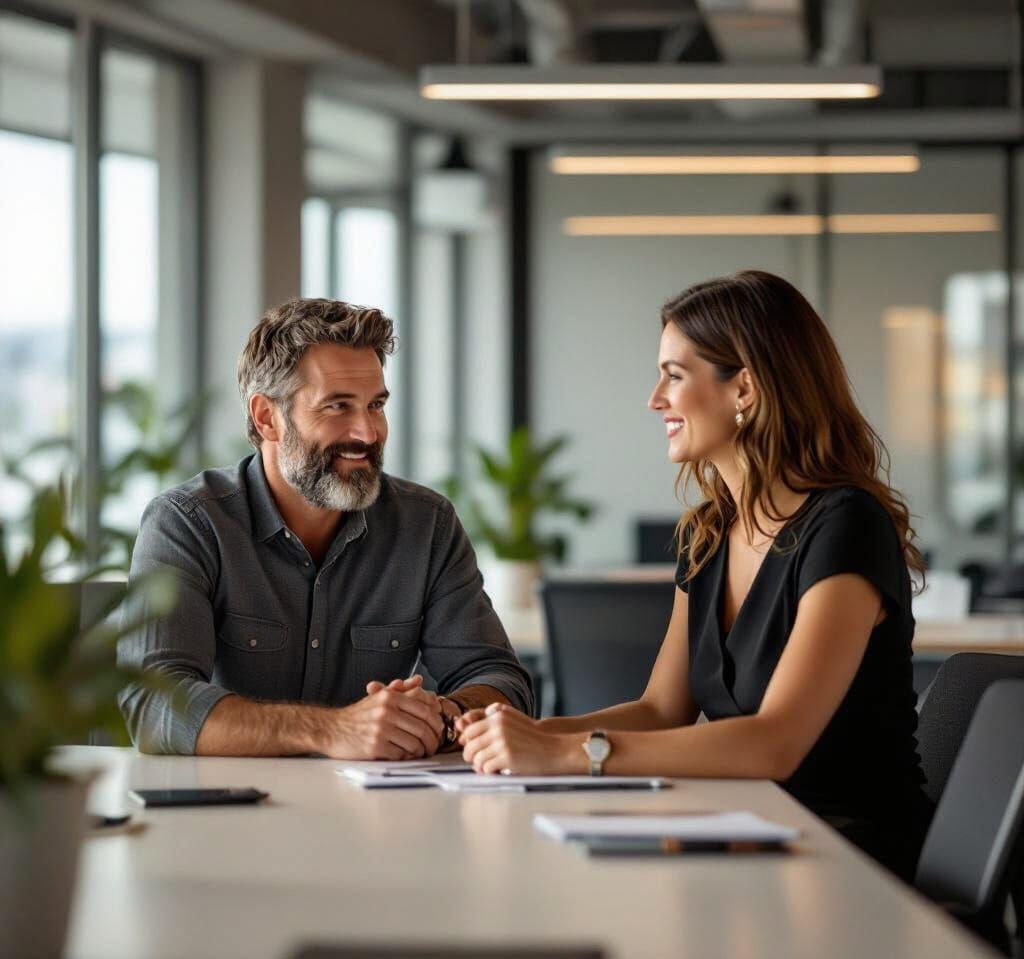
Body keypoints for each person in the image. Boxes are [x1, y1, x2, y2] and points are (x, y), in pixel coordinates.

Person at [456, 269, 932, 880]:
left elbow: (776, 742)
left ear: (745, 389)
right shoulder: (708, 533)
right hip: (749, 828)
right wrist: (519, 733)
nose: (655, 399)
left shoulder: (846, 525)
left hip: (850, 853)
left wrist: (568, 753)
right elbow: (662, 710)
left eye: (674, 376)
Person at [118, 298, 532, 758]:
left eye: (376, 405)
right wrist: (333, 730)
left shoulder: (426, 524)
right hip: (233, 801)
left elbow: (501, 681)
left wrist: (439, 716)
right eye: (338, 406)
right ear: (267, 417)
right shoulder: (188, 523)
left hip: (384, 801)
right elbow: (154, 704)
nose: (367, 433)